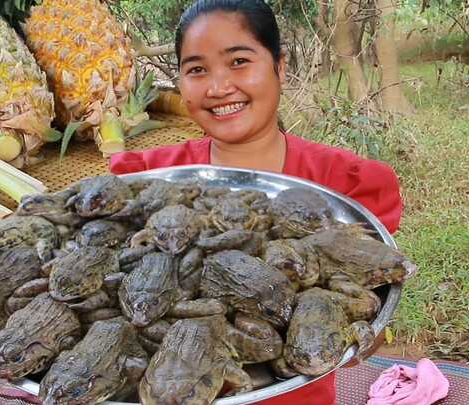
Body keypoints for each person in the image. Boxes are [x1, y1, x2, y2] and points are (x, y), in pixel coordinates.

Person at [109, 0, 402, 403]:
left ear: (279, 67)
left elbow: (374, 320)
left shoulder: (344, 184)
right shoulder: (148, 176)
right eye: (196, 70)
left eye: (239, 61)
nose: (218, 87)